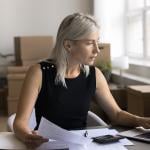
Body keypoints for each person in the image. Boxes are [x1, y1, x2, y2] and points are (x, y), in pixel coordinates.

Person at [13, 13, 150, 148]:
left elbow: (116, 114)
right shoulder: (38, 73)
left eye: (98, 42)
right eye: (90, 43)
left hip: (81, 146)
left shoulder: (94, 74)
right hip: (47, 145)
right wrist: (28, 136)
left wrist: (140, 121)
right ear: (68, 45)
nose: (97, 50)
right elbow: (20, 123)